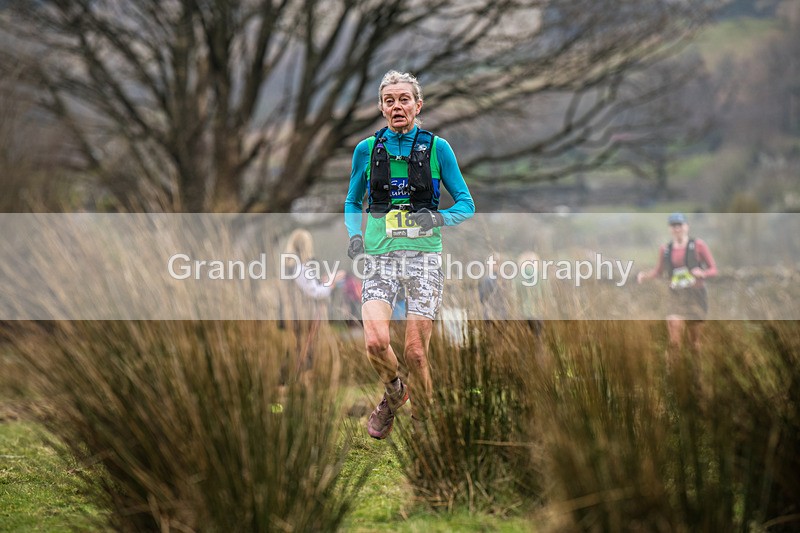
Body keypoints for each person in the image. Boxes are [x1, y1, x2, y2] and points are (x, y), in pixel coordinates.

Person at [344, 70, 475, 439]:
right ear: (382, 108)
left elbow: (467, 204)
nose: (397, 106)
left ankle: (427, 428)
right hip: (380, 256)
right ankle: (395, 393)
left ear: (418, 105)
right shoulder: (366, 150)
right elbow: (353, 201)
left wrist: (437, 217)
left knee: (416, 354)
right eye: (390, 100)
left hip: (424, 257)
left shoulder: (438, 148)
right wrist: (355, 235)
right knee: (374, 341)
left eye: (404, 99)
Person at [636, 212, 718, 351]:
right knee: (674, 339)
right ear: (670, 229)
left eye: (679, 225)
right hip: (676, 296)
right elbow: (658, 271)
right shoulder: (665, 249)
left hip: (696, 296)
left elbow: (714, 270)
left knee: (695, 343)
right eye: (673, 226)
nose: (677, 228)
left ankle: (696, 371)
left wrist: (702, 273)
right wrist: (644, 276)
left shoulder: (698, 245)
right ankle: (672, 371)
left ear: (687, 227)